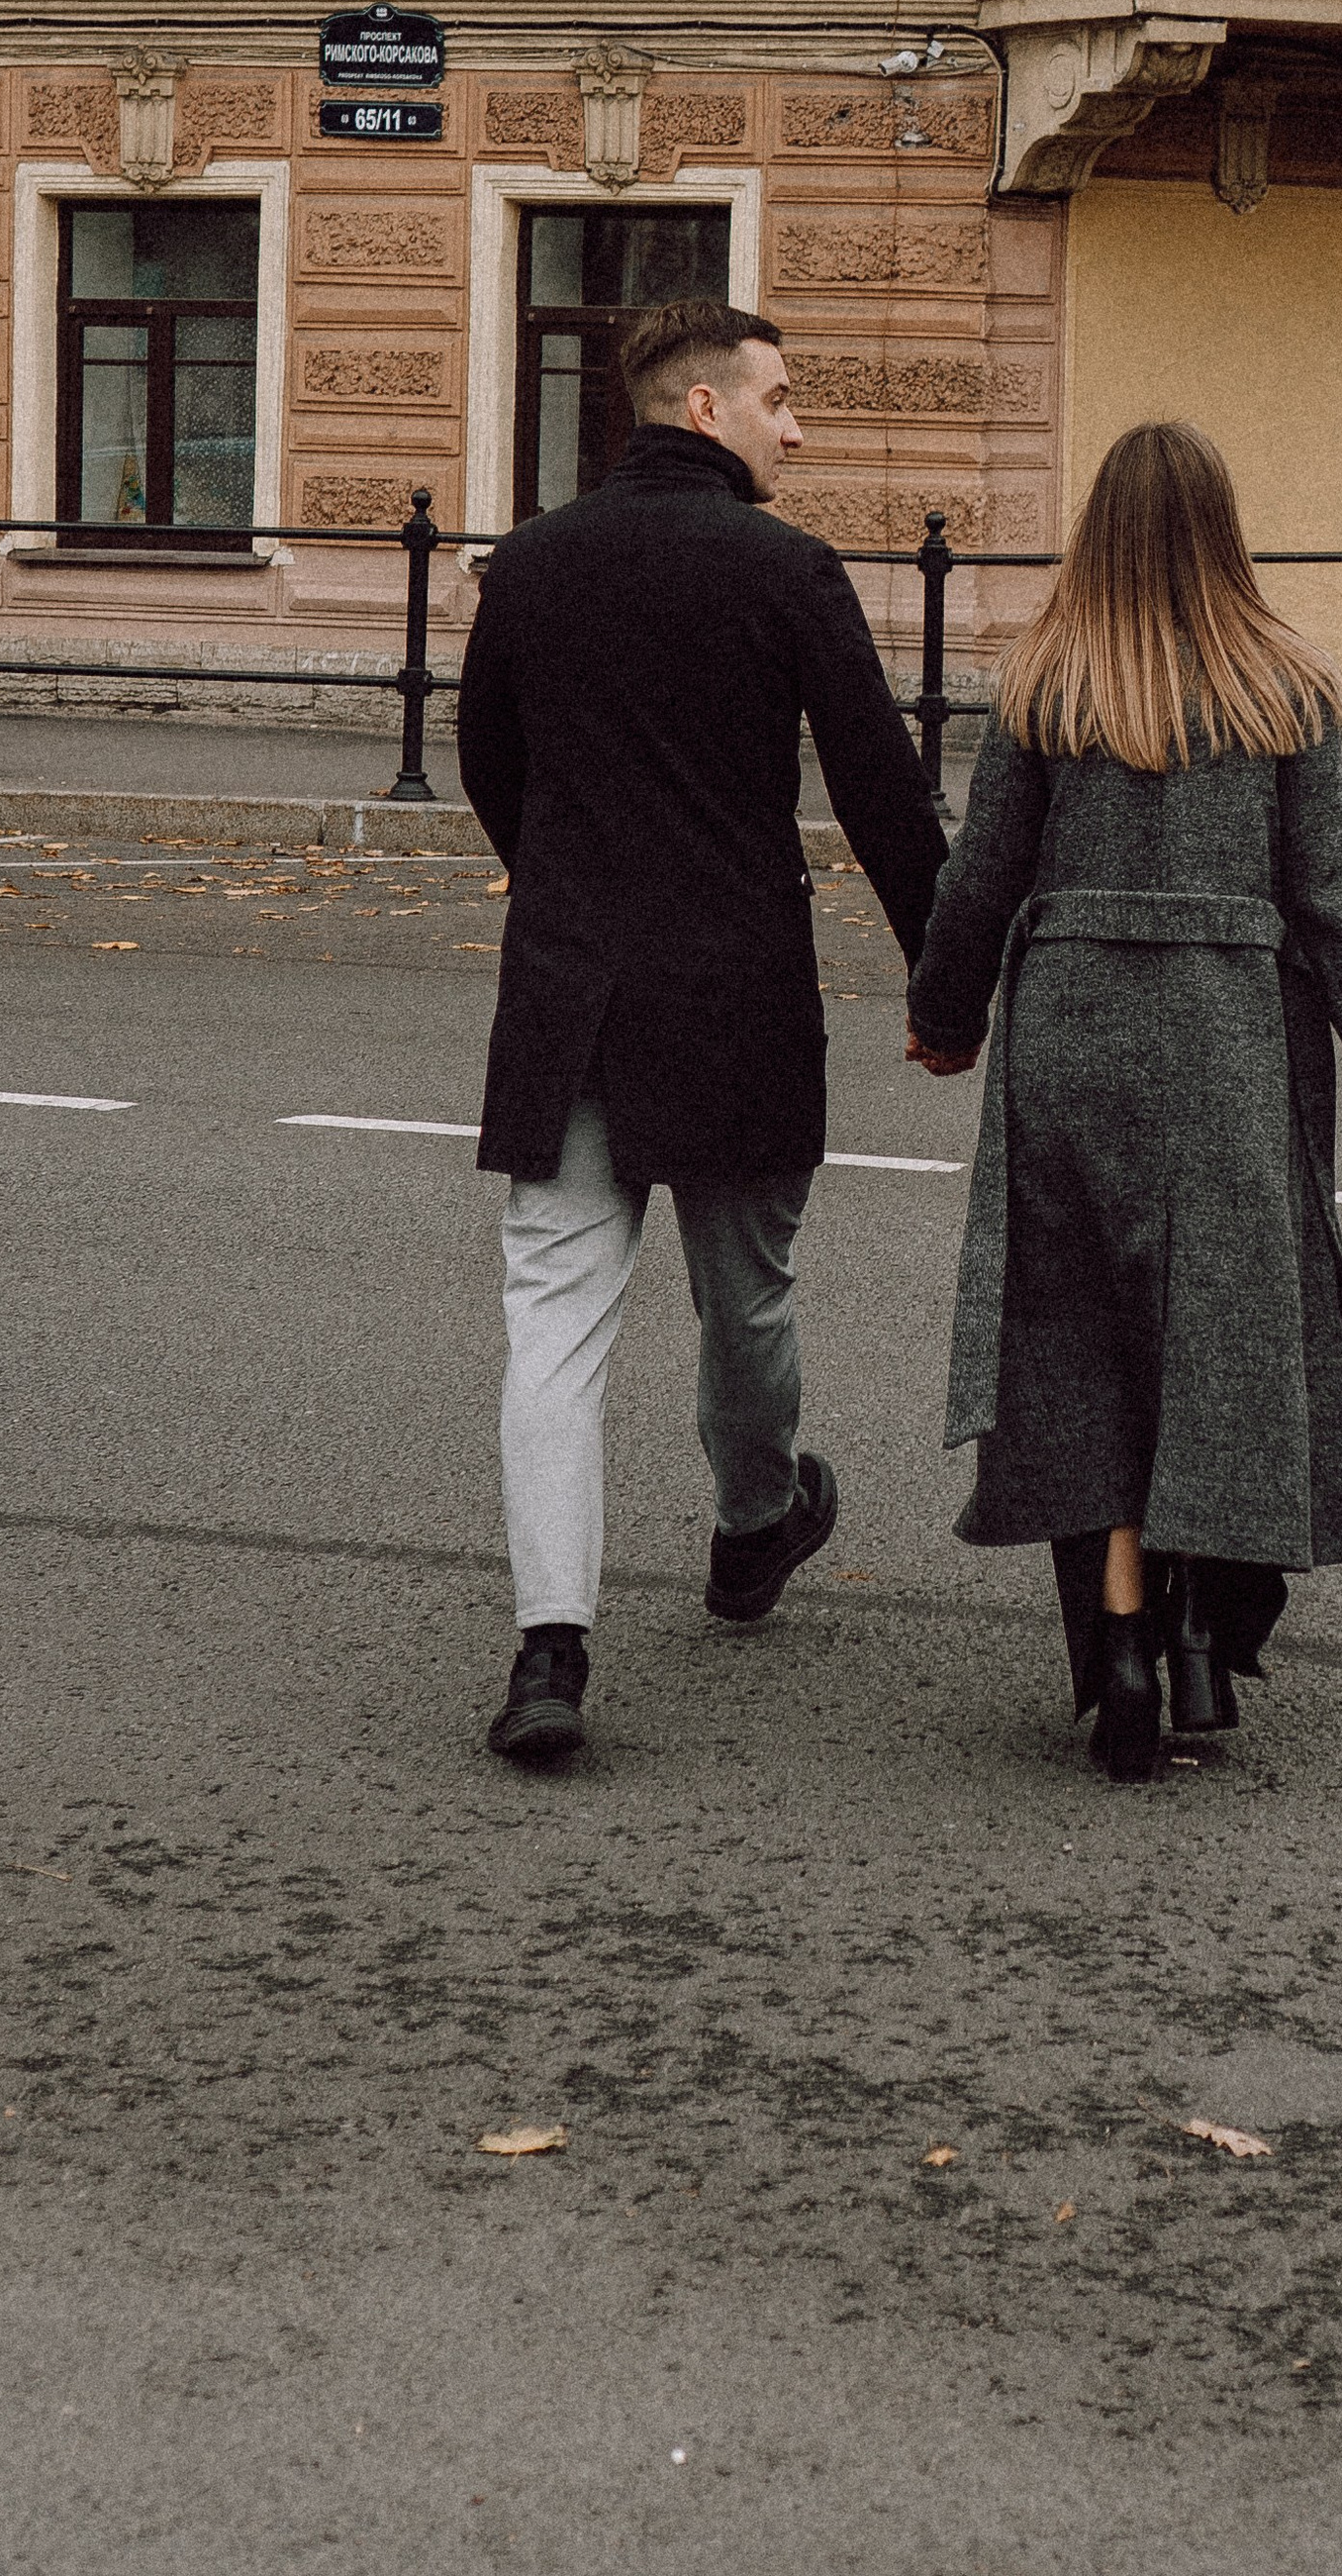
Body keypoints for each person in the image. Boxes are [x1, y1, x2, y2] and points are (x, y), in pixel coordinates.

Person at [903, 420, 1342, 1783]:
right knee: (1222, 1339)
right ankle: (1206, 1639)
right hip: (1230, 1042)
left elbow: (979, 880)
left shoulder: (1048, 682)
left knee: (1087, 1347)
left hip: (1073, 1033)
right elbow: (1333, 904)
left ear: (1099, 531)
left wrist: (946, 1019)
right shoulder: (1284, 688)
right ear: (1223, 531)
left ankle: (1125, 1649)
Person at [457, 301, 947, 1767]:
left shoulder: (532, 562)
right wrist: (946, 979)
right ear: (701, 410)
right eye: (781, 401)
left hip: (570, 993)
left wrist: (567, 883)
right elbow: (877, 786)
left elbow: (492, 759)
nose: (798, 427)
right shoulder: (785, 567)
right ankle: (753, 1524)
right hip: (734, 991)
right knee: (747, 1298)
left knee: (553, 1318)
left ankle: (551, 1649)